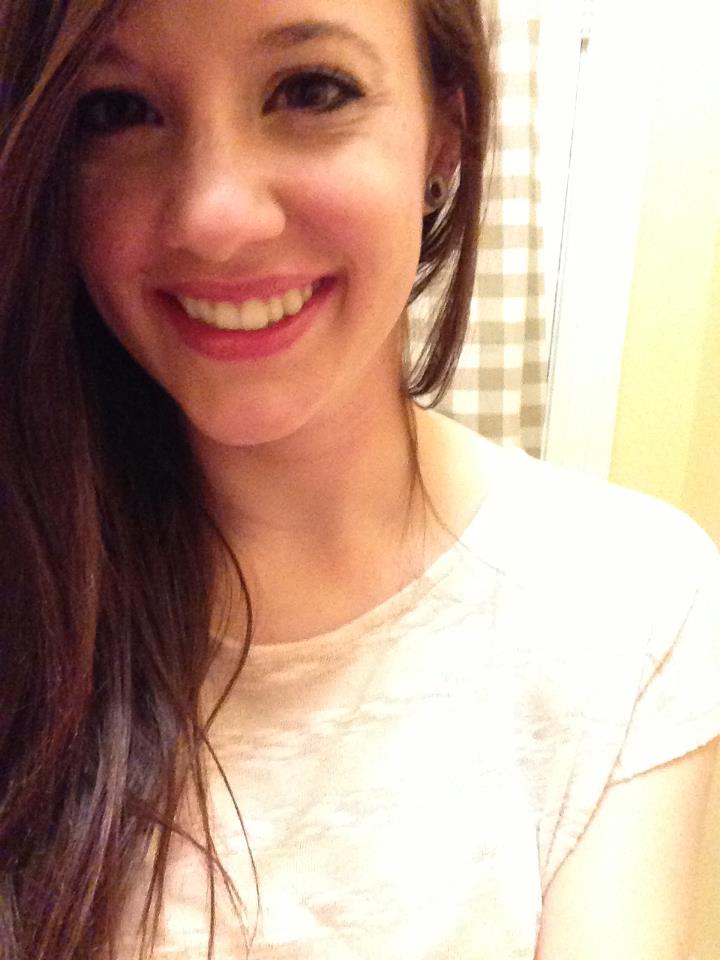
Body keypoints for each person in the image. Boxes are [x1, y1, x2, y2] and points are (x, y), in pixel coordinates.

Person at [1, 0, 718, 957]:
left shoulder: (632, 602)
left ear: (445, 131)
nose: (215, 217)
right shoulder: (30, 589)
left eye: (310, 90)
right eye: (118, 109)